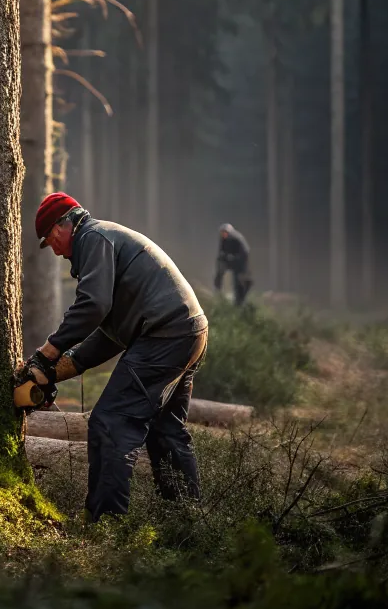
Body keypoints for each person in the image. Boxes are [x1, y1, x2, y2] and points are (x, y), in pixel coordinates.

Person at [22, 192, 208, 522]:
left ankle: (105, 525)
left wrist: (47, 351)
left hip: (164, 333)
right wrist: (49, 372)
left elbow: (93, 306)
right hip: (187, 330)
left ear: (64, 225)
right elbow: (106, 337)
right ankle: (188, 521)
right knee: (166, 431)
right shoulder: (105, 239)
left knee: (111, 422)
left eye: (50, 239)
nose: (53, 249)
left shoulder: (92, 237)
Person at [215, 223, 252, 306]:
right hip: (229, 262)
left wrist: (234, 259)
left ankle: (239, 303)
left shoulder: (237, 239)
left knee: (239, 283)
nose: (223, 234)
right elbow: (221, 252)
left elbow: (245, 252)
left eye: (225, 232)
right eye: (222, 233)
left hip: (239, 264)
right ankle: (219, 293)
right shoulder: (224, 240)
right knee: (219, 274)